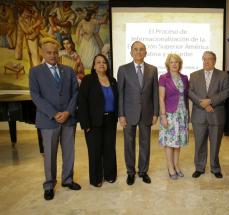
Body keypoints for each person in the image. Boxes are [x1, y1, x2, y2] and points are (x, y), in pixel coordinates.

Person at [29, 37, 81, 201]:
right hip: (48, 120)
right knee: (50, 154)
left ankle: (67, 179)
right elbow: (36, 96)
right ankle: (49, 185)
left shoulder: (68, 70)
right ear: (42, 53)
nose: (52, 55)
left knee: (69, 152)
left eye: (55, 52)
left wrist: (67, 112)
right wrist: (53, 114)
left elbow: (75, 93)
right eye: (49, 52)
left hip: (68, 119)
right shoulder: (35, 72)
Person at [117, 41, 159, 185]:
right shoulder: (123, 69)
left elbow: (155, 93)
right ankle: (130, 172)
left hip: (147, 113)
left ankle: (143, 171)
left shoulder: (153, 70)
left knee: (145, 143)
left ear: (145, 52)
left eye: (141, 50)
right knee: (129, 143)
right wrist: (121, 114)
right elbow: (120, 93)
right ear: (131, 52)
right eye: (136, 49)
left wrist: (156, 113)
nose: (138, 52)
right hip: (128, 114)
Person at [78, 54, 118, 187]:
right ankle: (96, 179)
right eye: (98, 62)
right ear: (94, 66)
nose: (102, 64)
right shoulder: (88, 80)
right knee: (95, 151)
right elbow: (82, 102)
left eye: (104, 62)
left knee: (109, 149)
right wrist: (85, 124)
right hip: (93, 122)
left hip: (110, 120)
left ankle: (110, 175)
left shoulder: (112, 80)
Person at [189, 51, 229, 179]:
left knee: (215, 143)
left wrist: (211, 101)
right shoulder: (194, 75)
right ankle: (199, 168)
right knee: (200, 143)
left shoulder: (223, 75)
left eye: (210, 59)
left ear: (215, 60)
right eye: (204, 59)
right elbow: (190, 92)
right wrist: (203, 104)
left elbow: (226, 92)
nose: (207, 62)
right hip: (199, 115)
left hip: (216, 115)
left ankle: (215, 167)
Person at [159, 54, 189, 180]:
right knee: (169, 143)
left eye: (176, 62)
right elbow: (161, 97)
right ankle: (170, 167)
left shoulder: (184, 77)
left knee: (178, 142)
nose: (174, 64)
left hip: (182, 114)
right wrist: (163, 116)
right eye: (171, 62)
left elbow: (186, 96)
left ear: (179, 64)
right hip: (170, 114)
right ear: (168, 64)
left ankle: (177, 166)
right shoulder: (163, 78)